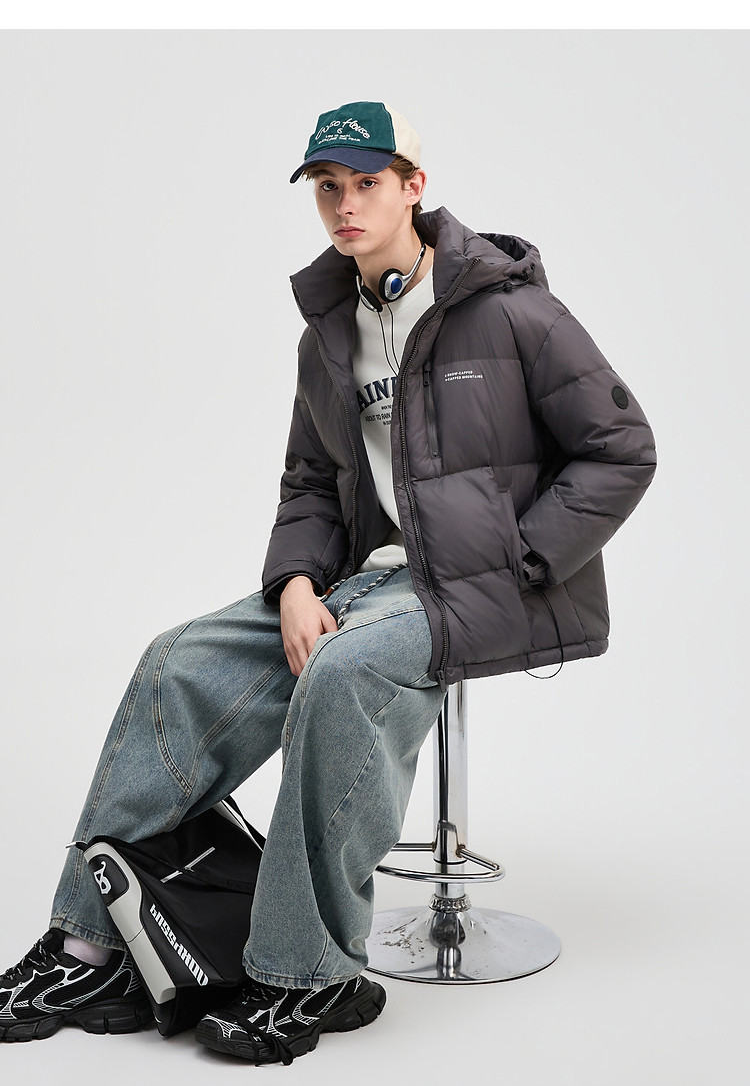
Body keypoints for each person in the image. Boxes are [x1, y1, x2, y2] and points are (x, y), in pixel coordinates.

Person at [0, 100, 656, 1063]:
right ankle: (89, 945)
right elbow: (310, 480)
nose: (345, 205)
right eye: (327, 187)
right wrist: (298, 584)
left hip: (479, 588)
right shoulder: (328, 333)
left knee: (343, 675)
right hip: (365, 582)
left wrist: (520, 559)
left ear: (414, 188)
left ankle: (308, 974)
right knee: (176, 662)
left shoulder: (516, 312)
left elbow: (622, 448)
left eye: (367, 183)